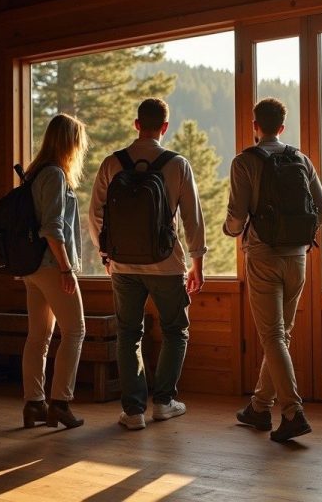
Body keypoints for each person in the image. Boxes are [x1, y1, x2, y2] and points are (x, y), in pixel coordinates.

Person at [89, 97, 207, 431]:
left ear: (136, 124)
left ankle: (133, 411)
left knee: (128, 334)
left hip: (123, 267)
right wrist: (197, 262)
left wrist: (106, 253)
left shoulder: (112, 163)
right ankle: (165, 403)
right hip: (166, 264)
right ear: (164, 127)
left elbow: (95, 213)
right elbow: (192, 218)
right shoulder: (177, 164)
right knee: (175, 331)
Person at [224, 97, 322, 442]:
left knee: (272, 336)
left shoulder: (244, 162)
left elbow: (237, 217)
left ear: (255, 126)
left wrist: (229, 229)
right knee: (280, 336)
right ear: (282, 127)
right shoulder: (300, 158)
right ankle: (258, 407)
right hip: (298, 257)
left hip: (263, 255)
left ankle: (292, 411)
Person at [21, 113, 89, 429]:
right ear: (70, 143)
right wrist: (66, 269)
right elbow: (52, 228)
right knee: (75, 330)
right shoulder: (55, 176)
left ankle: (34, 403)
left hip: (32, 267)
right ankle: (60, 402)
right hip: (51, 265)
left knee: (39, 336)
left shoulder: (34, 174)